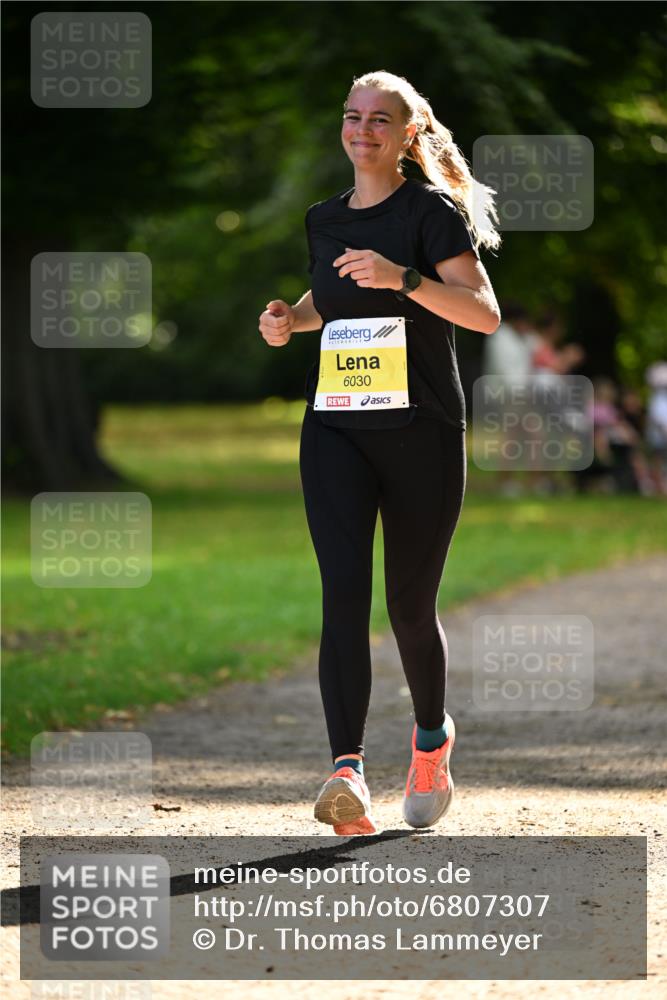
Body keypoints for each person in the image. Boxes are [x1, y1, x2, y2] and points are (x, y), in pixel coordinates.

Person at [258, 70, 501, 835]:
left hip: (420, 428)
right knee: (341, 598)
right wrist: (286, 321)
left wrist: (403, 278)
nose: (360, 129)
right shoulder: (322, 219)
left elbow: (483, 313)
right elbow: (328, 301)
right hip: (334, 424)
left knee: (406, 606)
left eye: (378, 119)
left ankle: (430, 741)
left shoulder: (428, 212)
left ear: (406, 134)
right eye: (351, 116)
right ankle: (347, 774)